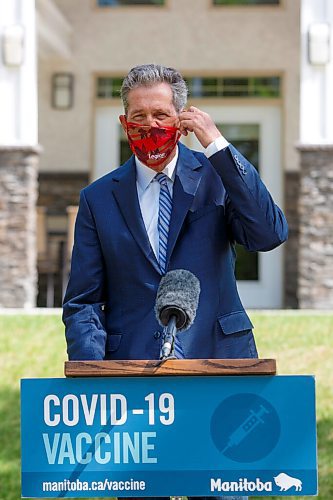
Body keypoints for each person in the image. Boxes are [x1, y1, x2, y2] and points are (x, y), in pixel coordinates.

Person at [63, 64, 288, 500]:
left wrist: (218, 145)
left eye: (162, 115)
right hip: (134, 378)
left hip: (217, 364)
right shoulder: (97, 198)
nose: (150, 126)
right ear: (123, 121)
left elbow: (269, 233)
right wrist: (94, 374)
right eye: (139, 116)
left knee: (222, 492)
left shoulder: (216, 180)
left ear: (181, 120)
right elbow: (83, 301)